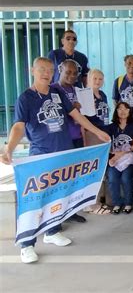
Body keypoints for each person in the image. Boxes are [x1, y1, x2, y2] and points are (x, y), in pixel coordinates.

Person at [0, 57, 109, 264]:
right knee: (35, 201)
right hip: (41, 156)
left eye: (49, 70)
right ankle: (27, 245)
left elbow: (76, 115)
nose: (46, 73)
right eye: (41, 69)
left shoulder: (57, 92)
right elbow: (18, 127)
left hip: (64, 153)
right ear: (32, 70)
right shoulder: (26, 98)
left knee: (59, 194)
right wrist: (9, 149)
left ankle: (52, 231)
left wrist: (97, 132)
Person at [50, 59, 88, 223]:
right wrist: (73, 108)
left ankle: (71, 211)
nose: (72, 76)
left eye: (75, 73)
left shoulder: (75, 89)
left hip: (77, 137)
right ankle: (57, 215)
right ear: (60, 70)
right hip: (62, 140)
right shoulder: (53, 90)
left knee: (74, 176)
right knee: (61, 178)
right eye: (68, 72)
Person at [106, 102, 133, 215]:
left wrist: (124, 152)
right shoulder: (111, 127)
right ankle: (117, 203)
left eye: (126, 109)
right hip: (115, 158)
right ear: (116, 111)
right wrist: (114, 154)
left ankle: (128, 202)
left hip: (129, 158)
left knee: (126, 178)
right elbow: (107, 145)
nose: (123, 111)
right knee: (112, 178)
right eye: (120, 109)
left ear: (129, 111)